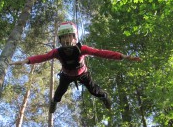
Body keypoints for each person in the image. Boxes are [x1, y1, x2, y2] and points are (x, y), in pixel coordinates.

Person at [10, 21, 141, 113]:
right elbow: (42, 57)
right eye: (64, 37)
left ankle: (105, 97)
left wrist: (123, 56)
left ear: (74, 37)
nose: (66, 40)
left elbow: (101, 53)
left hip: (83, 73)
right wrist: (26, 61)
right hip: (66, 75)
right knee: (59, 92)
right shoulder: (57, 52)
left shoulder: (81, 48)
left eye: (69, 36)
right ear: (59, 40)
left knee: (94, 90)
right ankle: (54, 102)